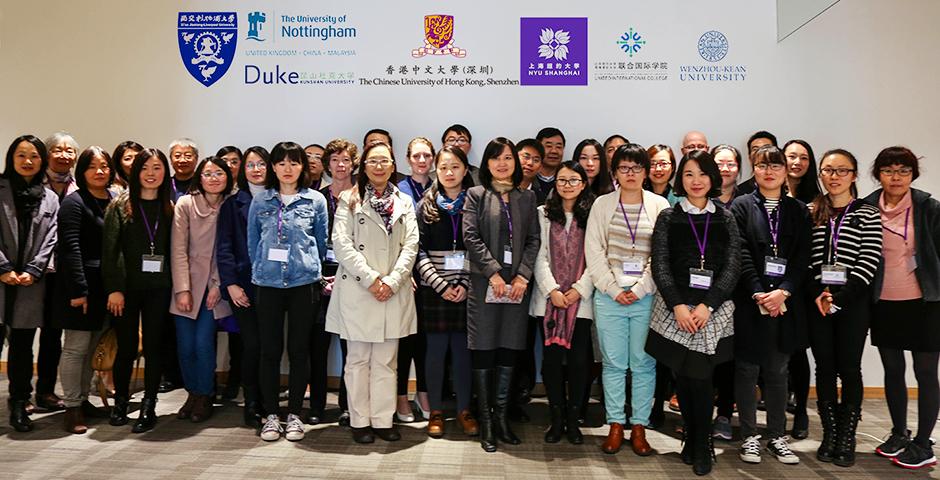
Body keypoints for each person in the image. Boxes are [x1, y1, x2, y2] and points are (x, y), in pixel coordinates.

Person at [646, 150, 741, 475]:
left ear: (713, 178)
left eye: (702, 174)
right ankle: (691, 438)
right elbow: (660, 264)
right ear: (680, 179)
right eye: (688, 174)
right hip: (676, 310)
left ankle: (702, 444)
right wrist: (677, 305)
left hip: (711, 311)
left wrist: (707, 305)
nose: (696, 181)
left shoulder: (726, 217)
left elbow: (733, 266)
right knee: (683, 378)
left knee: (701, 378)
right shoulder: (668, 217)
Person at [325, 141, 419, 444]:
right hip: (360, 290)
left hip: (393, 290)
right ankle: (359, 420)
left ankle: (382, 420)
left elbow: (411, 246)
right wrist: (372, 280)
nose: (379, 166)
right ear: (363, 166)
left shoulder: (404, 201)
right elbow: (342, 245)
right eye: (373, 161)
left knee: (387, 361)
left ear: (393, 166)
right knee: (357, 361)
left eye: (384, 161)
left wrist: (391, 281)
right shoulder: (348, 199)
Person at [586, 144, 671, 455]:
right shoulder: (602, 204)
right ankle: (615, 424)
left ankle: (639, 426)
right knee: (613, 364)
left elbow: (661, 254)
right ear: (615, 172)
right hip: (609, 296)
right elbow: (594, 251)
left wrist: (640, 289)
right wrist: (612, 289)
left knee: (644, 363)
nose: (631, 173)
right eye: (624, 168)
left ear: (646, 172)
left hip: (646, 297)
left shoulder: (659, 204)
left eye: (637, 168)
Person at [730, 146, 812, 465]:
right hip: (751, 302)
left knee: (778, 370)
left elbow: (802, 257)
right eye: (762, 165)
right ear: (754, 169)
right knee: (747, 369)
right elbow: (740, 252)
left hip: (785, 304)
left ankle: (777, 435)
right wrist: (759, 292)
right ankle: (749, 436)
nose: (769, 171)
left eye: (775, 166)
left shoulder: (798, 210)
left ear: (785, 170)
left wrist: (784, 292)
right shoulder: (741, 205)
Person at [864, 146, 940, 469]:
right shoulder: (866, 207)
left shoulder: (928, 207)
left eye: (903, 171)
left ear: (913, 175)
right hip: (884, 301)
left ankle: (923, 443)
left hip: (925, 302)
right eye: (888, 170)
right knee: (893, 370)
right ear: (878, 174)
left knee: (925, 372)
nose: (896, 177)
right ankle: (899, 433)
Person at [248, 141, 328, 442]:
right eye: (281, 163)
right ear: (273, 167)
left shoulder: (315, 200)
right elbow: (252, 241)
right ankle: (271, 414)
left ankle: (294, 413)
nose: (287, 168)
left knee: (298, 350)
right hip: (267, 283)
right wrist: (262, 268)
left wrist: (308, 266)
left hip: (303, 283)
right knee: (269, 351)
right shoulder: (261, 200)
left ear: (302, 167)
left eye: (294, 162)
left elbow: (321, 241)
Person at [463, 137, 540, 452]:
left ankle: (502, 418)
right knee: (484, 349)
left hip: (516, 287)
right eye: (495, 158)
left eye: (508, 157)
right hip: (485, 285)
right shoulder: (476, 195)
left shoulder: (527, 197)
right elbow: (470, 236)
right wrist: (493, 272)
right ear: (487, 163)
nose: (502, 163)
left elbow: (534, 240)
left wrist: (522, 275)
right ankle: (486, 423)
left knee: (510, 349)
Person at [807, 148, 882, 467]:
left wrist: (840, 298)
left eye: (841, 170)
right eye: (828, 170)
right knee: (824, 368)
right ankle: (830, 433)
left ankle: (847, 436)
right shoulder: (812, 211)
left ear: (853, 175)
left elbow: (869, 261)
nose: (834, 176)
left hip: (853, 303)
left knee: (849, 368)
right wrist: (820, 293)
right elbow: (806, 258)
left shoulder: (868, 213)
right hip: (818, 302)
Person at [103, 147, 174, 433]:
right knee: (127, 347)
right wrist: (114, 289)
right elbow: (110, 251)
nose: (150, 174)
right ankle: (121, 402)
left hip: (159, 288)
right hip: (127, 290)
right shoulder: (120, 205)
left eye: (157, 168)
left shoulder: (171, 207)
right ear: (135, 172)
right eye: (145, 168)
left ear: (165, 172)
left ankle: (149, 405)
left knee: (155, 347)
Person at [532, 161, 596, 445]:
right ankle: (556, 418)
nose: (567, 185)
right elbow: (538, 255)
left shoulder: (593, 214)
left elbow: (598, 255)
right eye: (562, 180)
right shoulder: (543, 213)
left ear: (583, 184)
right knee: (552, 361)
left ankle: (573, 418)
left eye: (573, 180)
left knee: (580, 362)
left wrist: (579, 289)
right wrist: (552, 290)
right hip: (549, 301)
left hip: (581, 301)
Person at [415, 145, 478, 438]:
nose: (449, 172)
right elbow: (418, 251)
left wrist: (463, 284)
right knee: (436, 351)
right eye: (443, 167)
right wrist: (441, 285)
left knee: (464, 352)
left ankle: (464, 409)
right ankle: (437, 411)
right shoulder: (425, 205)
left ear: (465, 170)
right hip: (434, 291)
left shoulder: (475, 204)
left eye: (455, 167)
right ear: (436, 171)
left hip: (467, 290)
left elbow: (478, 247)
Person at [0, 135, 60, 432]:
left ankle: (19, 402)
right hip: (0, 279)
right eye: (21, 155)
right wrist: (2, 267)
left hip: (29, 283)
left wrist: (34, 270)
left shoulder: (50, 197)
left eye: (34, 156)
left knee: (23, 347)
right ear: (11, 158)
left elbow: (51, 238)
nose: (27, 161)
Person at [56, 146, 115, 434]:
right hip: (80, 287)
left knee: (93, 347)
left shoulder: (114, 199)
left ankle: (82, 399)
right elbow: (70, 249)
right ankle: (71, 407)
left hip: (105, 287)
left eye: (104, 166)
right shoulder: (74, 203)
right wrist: (79, 290)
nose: (99, 171)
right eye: (92, 166)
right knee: (75, 348)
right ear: (82, 171)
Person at [171, 156, 234, 423]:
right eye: (208, 174)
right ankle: (192, 392)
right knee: (185, 346)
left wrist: (218, 285)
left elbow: (229, 249)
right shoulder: (186, 203)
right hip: (186, 284)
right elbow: (178, 249)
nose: (213, 178)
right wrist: (182, 289)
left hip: (215, 286)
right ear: (200, 177)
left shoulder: (231, 204)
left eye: (219, 173)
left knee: (203, 344)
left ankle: (205, 394)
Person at [217, 146, 269, 427]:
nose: (256, 169)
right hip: (244, 286)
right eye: (250, 165)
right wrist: (231, 285)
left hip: (275, 286)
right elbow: (224, 248)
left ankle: (269, 402)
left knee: (271, 346)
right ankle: (251, 402)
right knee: (253, 345)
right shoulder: (232, 204)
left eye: (261, 164)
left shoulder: (280, 199)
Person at [310, 139, 357, 426]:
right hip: (319, 277)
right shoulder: (317, 198)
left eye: (346, 160)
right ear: (327, 164)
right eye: (335, 160)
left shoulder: (361, 197)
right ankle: (316, 405)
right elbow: (308, 240)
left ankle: (347, 406)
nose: (341, 165)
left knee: (351, 348)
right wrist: (319, 276)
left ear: (354, 164)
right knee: (317, 346)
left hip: (352, 277)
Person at [36, 131, 80, 413]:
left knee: (58, 334)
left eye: (69, 151)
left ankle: (49, 391)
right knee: (28, 334)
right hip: (38, 271)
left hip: (67, 272)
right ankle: (25, 394)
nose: (64, 155)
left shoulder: (78, 188)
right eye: (57, 150)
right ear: (47, 154)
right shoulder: (35, 185)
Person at [394, 137, 434, 422]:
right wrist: (404, 272)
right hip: (405, 275)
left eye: (427, 156)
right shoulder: (398, 190)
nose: (422, 161)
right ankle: (400, 396)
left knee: (426, 340)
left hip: (432, 275)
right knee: (404, 339)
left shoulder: (440, 188)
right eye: (416, 156)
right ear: (408, 159)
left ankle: (424, 392)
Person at [782, 139, 819, 440]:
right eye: (791, 156)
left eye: (803, 157)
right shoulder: (763, 194)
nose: (797, 162)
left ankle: (802, 410)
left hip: (802, 284)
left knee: (797, 350)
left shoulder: (818, 199)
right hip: (769, 285)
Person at [214, 145, 244, 400]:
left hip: (238, 274)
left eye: (235, 161)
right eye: (225, 161)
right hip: (214, 274)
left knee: (241, 334)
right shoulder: (214, 193)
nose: (230, 165)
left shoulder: (245, 195)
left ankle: (238, 379)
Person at [736, 131, 778, 196]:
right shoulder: (740, 193)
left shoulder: (788, 188)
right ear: (749, 158)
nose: (760, 152)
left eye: (766, 148)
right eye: (755, 149)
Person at [534, 127, 566, 204]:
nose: (554, 151)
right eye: (548, 146)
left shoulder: (567, 181)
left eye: (559, 147)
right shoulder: (527, 178)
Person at [783, 140, 821, 204]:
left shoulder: (818, 201)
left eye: (804, 158)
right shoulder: (771, 193)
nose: (798, 162)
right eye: (792, 156)